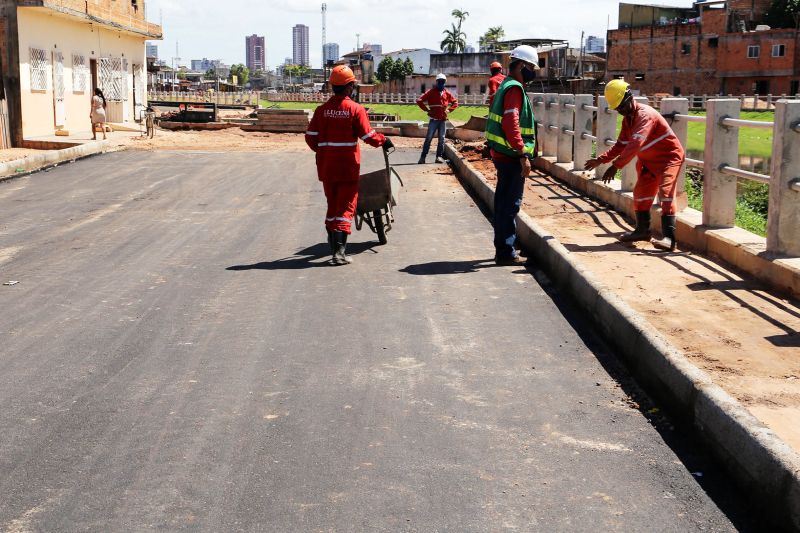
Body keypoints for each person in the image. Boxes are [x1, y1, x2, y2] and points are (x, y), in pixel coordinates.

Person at [305, 65, 393, 266]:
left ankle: (333, 244)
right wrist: (384, 140)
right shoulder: (355, 109)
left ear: (332, 86)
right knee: (346, 207)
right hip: (347, 169)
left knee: (333, 205)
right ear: (350, 86)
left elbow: (310, 139)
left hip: (327, 168)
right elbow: (368, 136)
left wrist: (325, 151)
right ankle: (339, 253)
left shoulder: (321, 111)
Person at [584, 79, 685, 251]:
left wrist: (616, 166)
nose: (621, 111)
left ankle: (670, 239)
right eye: (618, 109)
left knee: (666, 192)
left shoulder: (645, 115)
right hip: (648, 161)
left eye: (622, 107)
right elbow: (621, 145)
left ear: (629, 97)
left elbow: (635, 144)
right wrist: (601, 159)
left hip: (668, 158)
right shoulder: (628, 120)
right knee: (641, 194)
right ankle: (642, 231)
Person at [485, 45, 539, 265]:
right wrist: (522, 153)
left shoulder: (506, 85)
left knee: (503, 204)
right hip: (511, 156)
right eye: (532, 67)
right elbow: (511, 122)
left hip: (502, 154)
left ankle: (504, 249)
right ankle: (506, 252)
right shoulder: (515, 88)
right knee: (510, 205)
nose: (533, 72)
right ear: (523, 65)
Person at [416, 73, 458, 164]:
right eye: (439, 82)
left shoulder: (447, 93)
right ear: (436, 82)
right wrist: (427, 110)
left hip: (442, 120)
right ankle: (423, 157)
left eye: (443, 82)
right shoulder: (431, 92)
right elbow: (419, 100)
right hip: (433, 120)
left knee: (442, 139)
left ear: (445, 82)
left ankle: (438, 157)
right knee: (428, 138)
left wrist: (449, 111)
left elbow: (455, 103)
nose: (441, 83)